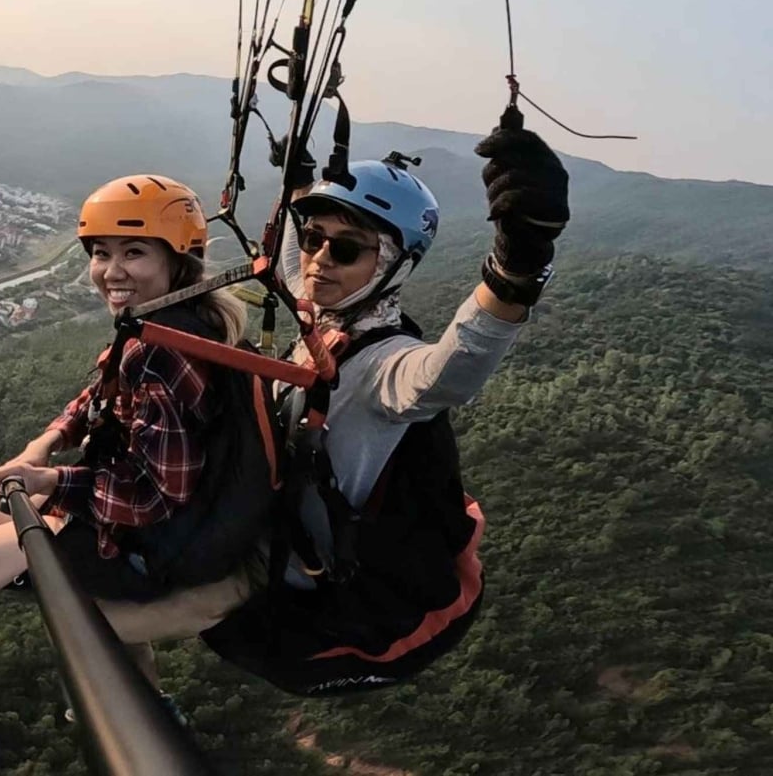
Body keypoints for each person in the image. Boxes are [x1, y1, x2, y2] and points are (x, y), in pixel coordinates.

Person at [102, 125, 571, 695]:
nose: (320, 259)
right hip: (242, 521)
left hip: (277, 570)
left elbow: (453, 370)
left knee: (94, 621)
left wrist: (519, 264)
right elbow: (303, 264)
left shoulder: (386, 370)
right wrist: (301, 182)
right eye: (314, 238)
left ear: (393, 264)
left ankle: (140, 722)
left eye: (346, 248)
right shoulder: (327, 310)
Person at [0, 174, 248, 719]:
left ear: (178, 263)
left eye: (134, 253)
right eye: (101, 253)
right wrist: (47, 442)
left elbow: (155, 495)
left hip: (141, 548)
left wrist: (54, 482)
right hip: (134, 524)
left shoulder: (165, 354)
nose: (112, 270)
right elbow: (95, 398)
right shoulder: (161, 326)